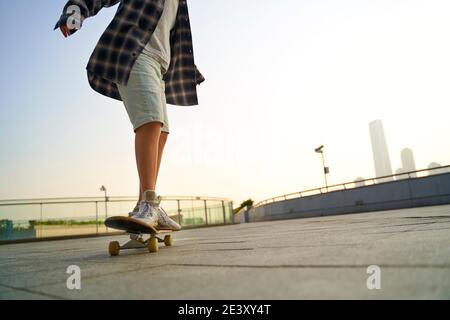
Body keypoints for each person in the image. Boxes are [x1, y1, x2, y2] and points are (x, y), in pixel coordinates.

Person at [54, 0, 205, 230]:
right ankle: (149, 203)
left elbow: (172, 36)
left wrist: (190, 69)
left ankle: (143, 206)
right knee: (151, 122)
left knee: (162, 132)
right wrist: (74, 13)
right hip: (135, 54)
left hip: (160, 67)